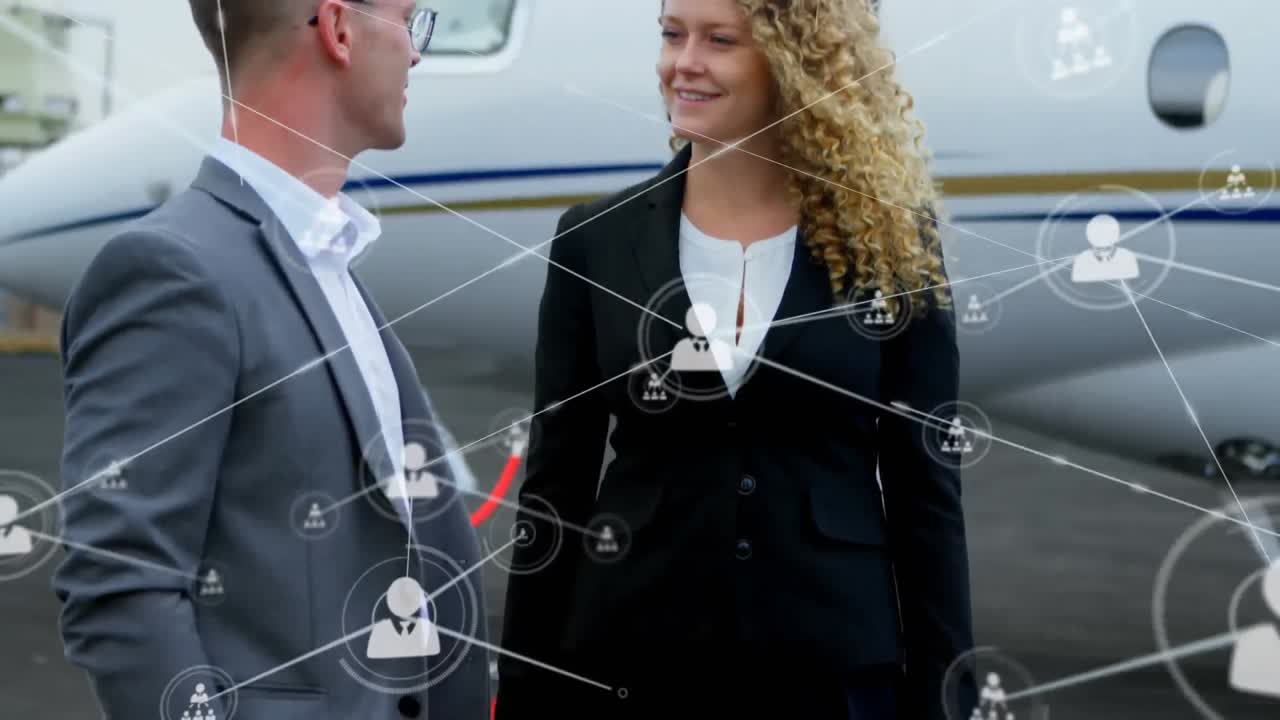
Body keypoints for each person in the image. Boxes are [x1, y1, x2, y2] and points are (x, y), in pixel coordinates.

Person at [495, 0, 975, 717]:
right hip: (629, 663)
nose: (683, 62)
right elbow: (554, 490)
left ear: (794, 64)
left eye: (719, 40)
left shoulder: (893, 245)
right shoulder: (593, 239)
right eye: (671, 34)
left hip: (831, 675)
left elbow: (926, 498)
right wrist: (525, 689)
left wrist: (945, 698)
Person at [52, 1, 490, 718]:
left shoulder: (329, 265)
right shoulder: (173, 271)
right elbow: (120, 590)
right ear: (339, 29)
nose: (416, 54)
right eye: (411, 20)